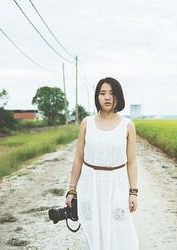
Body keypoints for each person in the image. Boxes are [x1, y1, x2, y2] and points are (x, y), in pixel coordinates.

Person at [65, 77, 139, 249]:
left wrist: (133, 192)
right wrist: (72, 189)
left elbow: (132, 161)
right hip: (91, 184)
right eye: (103, 93)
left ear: (118, 97)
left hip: (117, 184)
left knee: (121, 233)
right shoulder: (87, 123)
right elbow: (78, 158)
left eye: (112, 93)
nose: (107, 97)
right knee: (94, 234)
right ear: (97, 97)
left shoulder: (127, 125)